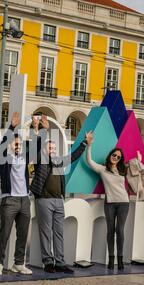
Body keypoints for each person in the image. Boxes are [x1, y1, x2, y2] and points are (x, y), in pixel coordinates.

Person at [30, 115, 93, 273]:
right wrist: (43, 130)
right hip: (44, 200)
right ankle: (48, 261)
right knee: (45, 232)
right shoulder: (41, 160)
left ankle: (60, 261)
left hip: (58, 201)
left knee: (59, 232)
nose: (52, 150)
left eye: (53, 148)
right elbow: (37, 147)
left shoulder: (58, 162)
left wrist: (85, 143)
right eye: (49, 148)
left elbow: (73, 156)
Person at [86, 133, 144, 270]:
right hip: (110, 203)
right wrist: (89, 146)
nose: (116, 158)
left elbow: (141, 170)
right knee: (110, 230)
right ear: (110, 156)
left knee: (120, 230)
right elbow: (89, 161)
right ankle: (111, 259)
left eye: (119, 157)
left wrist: (139, 160)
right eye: (114, 155)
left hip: (123, 203)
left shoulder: (122, 169)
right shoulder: (103, 169)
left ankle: (120, 259)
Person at [0, 112, 35, 276]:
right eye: (15, 144)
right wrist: (11, 127)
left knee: (23, 234)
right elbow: (1, 150)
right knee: (5, 233)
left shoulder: (24, 159)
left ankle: (19, 263)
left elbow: (37, 148)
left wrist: (38, 130)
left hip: (25, 200)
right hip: (9, 199)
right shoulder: (5, 161)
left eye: (20, 145)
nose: (18, 147)